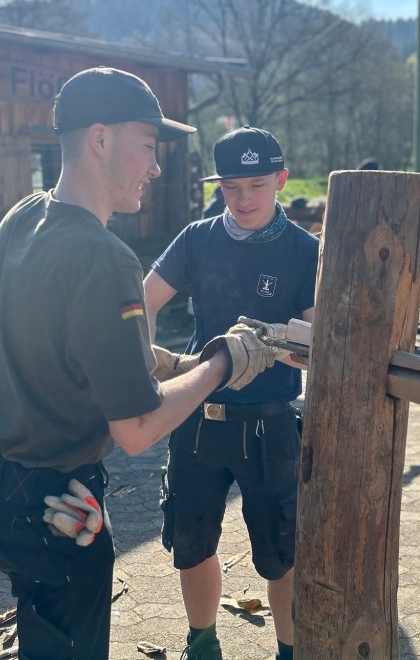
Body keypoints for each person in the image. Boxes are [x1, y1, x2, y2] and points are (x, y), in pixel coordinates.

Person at [0, 68, 279, 660]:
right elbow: (137, 429)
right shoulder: (105, 257)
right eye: (149, 145)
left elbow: (49, 340)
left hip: (3, 495)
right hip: (61, 511)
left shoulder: (21, 219)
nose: (156, 168)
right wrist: (222, 361)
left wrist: (150, 359)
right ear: (101, 138)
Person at [144, 126, 319, 660]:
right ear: (218, 185)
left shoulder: (304, 250)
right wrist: (139, 359)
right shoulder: (196, 238)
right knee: (191, 543)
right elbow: (144, 300)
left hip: (271, 424)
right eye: (231, 187)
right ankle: (202, 644)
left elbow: (318, 341)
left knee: (283, 554)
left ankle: (289, 650)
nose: (243, 199)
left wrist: (281, 345)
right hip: (197, 417)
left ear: (281, 180)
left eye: (257, 186)